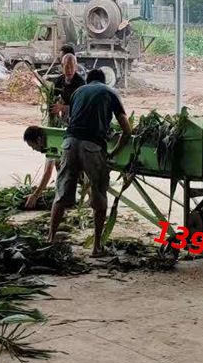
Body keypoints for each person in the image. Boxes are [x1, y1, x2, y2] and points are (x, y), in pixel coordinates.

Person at [49, 69, 131, 256]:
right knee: (99, 196)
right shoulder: (110, 92)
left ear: (88, 81)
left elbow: (72, 119)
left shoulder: (78, 92)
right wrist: (113, 152)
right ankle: (96, 247)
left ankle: (50, 239)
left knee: (61, 194)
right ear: (104, 82)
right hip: (92, 147)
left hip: (69, 144)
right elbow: (127, 129)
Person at [25, 53, 85, 209]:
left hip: (77, 125)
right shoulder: (59, 80)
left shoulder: (81, 84)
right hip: (62, 124)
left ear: (76, 66)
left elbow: (82, 108)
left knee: (73, 164)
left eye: (72, 66)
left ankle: (79, 193)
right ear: (62, 66)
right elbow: (54, 96)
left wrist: (63, 108)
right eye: (67, 66)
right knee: (60, 162)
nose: (69, 69)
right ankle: (65, 191)